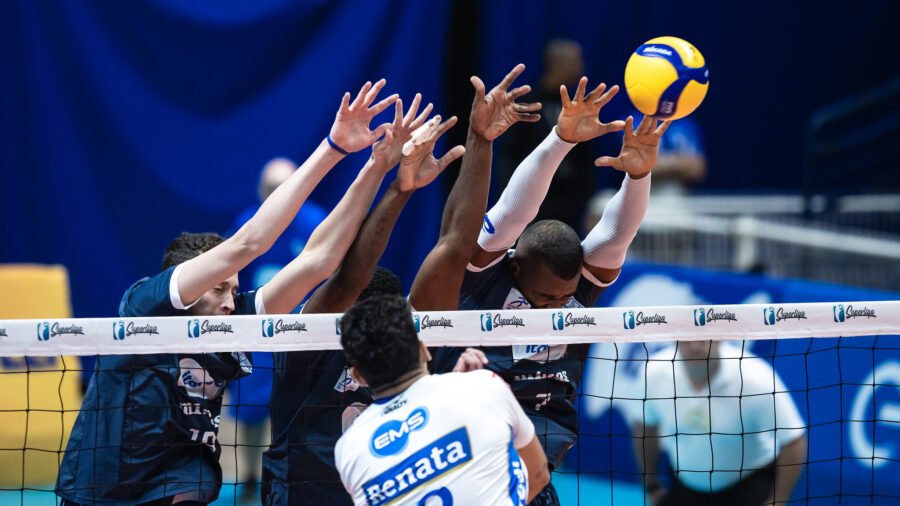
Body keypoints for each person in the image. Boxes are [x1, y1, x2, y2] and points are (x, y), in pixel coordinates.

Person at [56, 79, 400, 506]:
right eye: (218, 288)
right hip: (106, 493)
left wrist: (377, 168)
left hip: (178, 486)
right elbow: (248, 244)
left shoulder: (231, 320)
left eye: (234, 290)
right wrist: (333, 148)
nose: (228, 301)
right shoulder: (149, 307)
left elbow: (319, 261)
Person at [263, 63, 541, 505]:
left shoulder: (360, 340)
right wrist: (478, 141)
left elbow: (447, 249)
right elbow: (443, 251)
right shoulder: (317, 344)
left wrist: (409, 183)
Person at [434, 77, 671, 505]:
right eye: (545, 299)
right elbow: (512, 214)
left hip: (538, 447)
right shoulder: (485, 273)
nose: (556, 308)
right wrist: (561, 140)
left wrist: (639, 175)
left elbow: (615, 237)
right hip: (466, 435)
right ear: (516, 266)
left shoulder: (579, 287)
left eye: (564, 298)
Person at [335, 295, 550, 505]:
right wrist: (462, 389)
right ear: (423, 350)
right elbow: (538, 476)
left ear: (358, 376)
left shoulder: (348, 448)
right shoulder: (484, 386)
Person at [226, 157, 328, 504]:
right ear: (261, 190)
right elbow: (230, 276)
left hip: (303, 332)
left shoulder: (316, 222)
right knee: (251, 409)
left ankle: (298, 474)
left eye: (282, 187)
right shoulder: (247, 223)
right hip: (255, 333)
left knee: (303, 408)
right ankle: (250, 477)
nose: (276, 194)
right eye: (271, 188)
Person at [633, 340, 807, 506]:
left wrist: (778, 500)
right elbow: (645, 429)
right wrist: (651, 483)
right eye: (687, 339)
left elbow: (793, 440)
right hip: (685, 483)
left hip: (748, 482)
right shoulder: (654, 373)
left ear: (720, 336)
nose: (695, 346)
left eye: (704, 338)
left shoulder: (756, 378)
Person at [498, 39, 596, 231]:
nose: (581, 68)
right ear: (557, 64)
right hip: (530, 200)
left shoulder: (577, 106)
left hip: (568, 202)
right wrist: (510, 198)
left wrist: (588, 202)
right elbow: (509, 155)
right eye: (575, 62)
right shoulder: (527, 103)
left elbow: (584, 159)